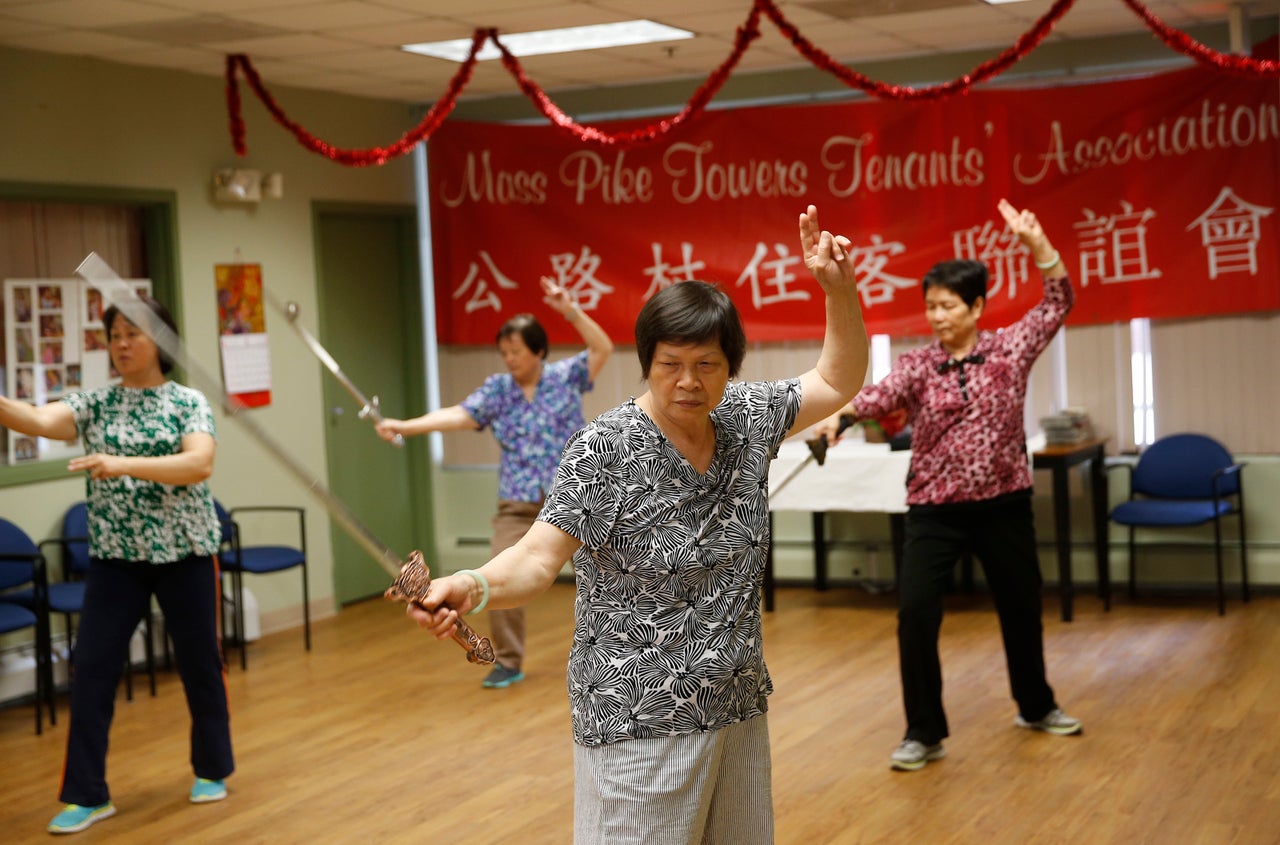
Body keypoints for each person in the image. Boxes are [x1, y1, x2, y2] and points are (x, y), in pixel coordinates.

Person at [404, 205, 868, 844]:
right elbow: (539, 556)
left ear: (729, 366)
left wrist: (839, 291)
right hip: (637, 721)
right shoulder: (605, 449)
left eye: (706, 365)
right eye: (669, 364)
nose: (687, 383)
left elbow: (836, 378)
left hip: (736, 709)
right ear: (645, 362)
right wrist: (473, 584)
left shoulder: (748, 417)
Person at [815, 198, 1082, 772]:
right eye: (930, 307)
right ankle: (923, 731)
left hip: (1004, 504)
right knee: (915, 613)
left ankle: (1035, 706)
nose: (936, 316)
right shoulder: (917, 365)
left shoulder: (1010, 348)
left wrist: (1038, 246)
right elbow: (874, 398)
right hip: (935, 508)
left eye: (947, 305)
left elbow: (1059, 302)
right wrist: (838, 420)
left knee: (1019, 606)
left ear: (977, 305)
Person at [0, 295, 233, 834]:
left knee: (201, 665)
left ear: (161, 342)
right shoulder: (96, 404)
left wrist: (122, 463)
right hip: (115, 560)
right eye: (115, 335)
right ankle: (87, 795)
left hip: (187, 553)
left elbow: (198, 464)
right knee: (93, 672)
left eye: (134, 333)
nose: (122, 344)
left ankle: (212, 768)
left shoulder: (187, 402)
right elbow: (37, 418)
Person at [377, 276, 614, 689]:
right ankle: (506, 660)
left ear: (538, 351)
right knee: (497, 575)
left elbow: (602, 348)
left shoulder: (566, 377)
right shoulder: (499, 391)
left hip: (577, 498)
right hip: (518, 503)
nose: (509, 359)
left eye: (516, 351)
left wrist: (569, 310)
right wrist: (404, 426)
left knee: (604, 577)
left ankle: (611, 654)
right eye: (504, 352)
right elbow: (457, 416)